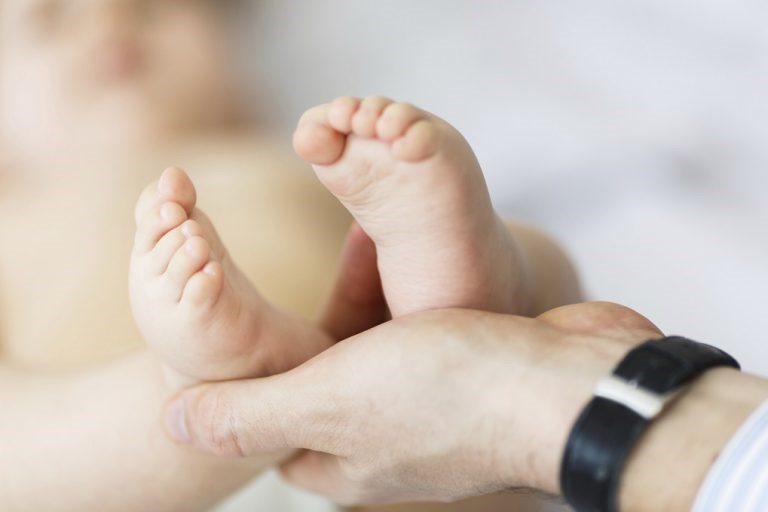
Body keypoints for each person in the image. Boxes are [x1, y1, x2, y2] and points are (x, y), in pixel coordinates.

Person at [163, 299, 768, 511]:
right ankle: (473, 313)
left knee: (531, 284)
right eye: (61, 20)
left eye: (159, 9)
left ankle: (467, 298)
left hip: (382, 427)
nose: (108, 22)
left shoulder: (270, 171)